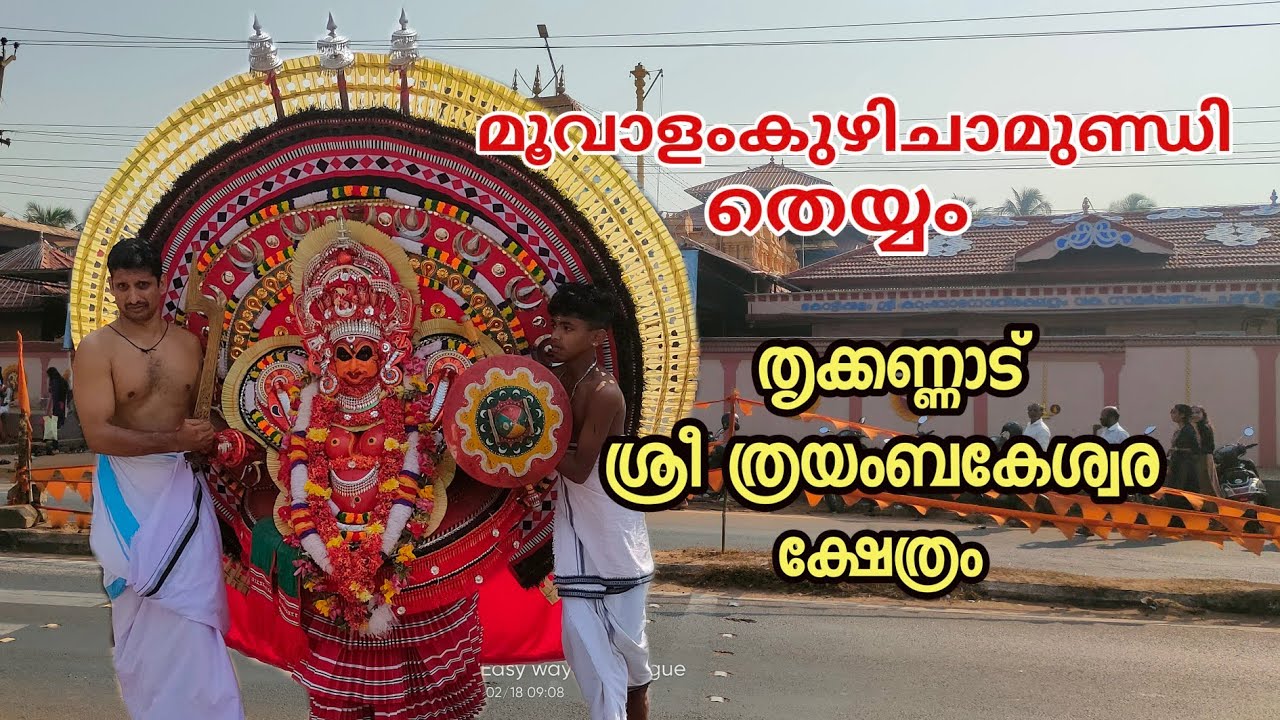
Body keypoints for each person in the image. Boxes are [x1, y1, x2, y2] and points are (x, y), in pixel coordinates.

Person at [72, 237, 244, 720]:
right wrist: (176, 439)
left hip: (183, 491)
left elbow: (209, 418)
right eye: (123, 286)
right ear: (111, 288)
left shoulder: (189, 344)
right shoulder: (96, 350)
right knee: (142, 613)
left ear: (162, 284)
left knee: (193, 616)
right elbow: (99, 434)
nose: (133, 297)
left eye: (143, 285)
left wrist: (212, 437)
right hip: (128, 493)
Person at [544, 283, 653, 720]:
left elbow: (578, 468)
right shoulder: (559, 379)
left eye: (568, 328)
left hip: (613, 531)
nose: (556, 335)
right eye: (555, 325)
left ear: (595, 337)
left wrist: (528, 441)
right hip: (576, 526)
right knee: (583, 641)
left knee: (630, 661)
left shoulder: (604, 392)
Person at [1166, 404, 1201, 496]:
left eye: (1174, 412)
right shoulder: (1180, 429)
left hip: (1185, 465)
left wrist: (1177, 449)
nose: (1172, 414)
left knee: (1182, 490)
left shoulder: (1188, 430)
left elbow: (1195, 449)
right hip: (1177, 462)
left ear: (1182, 415)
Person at [1191, 405, 1221, 496]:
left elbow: (1209, 446)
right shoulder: (1193, 427)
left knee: (1207, 483)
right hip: (1198, 458)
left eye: (1197, 412)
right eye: (1192, 413)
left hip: (1204, 458)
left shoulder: (1204, 427)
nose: (1195, 415)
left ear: (1203, 414)